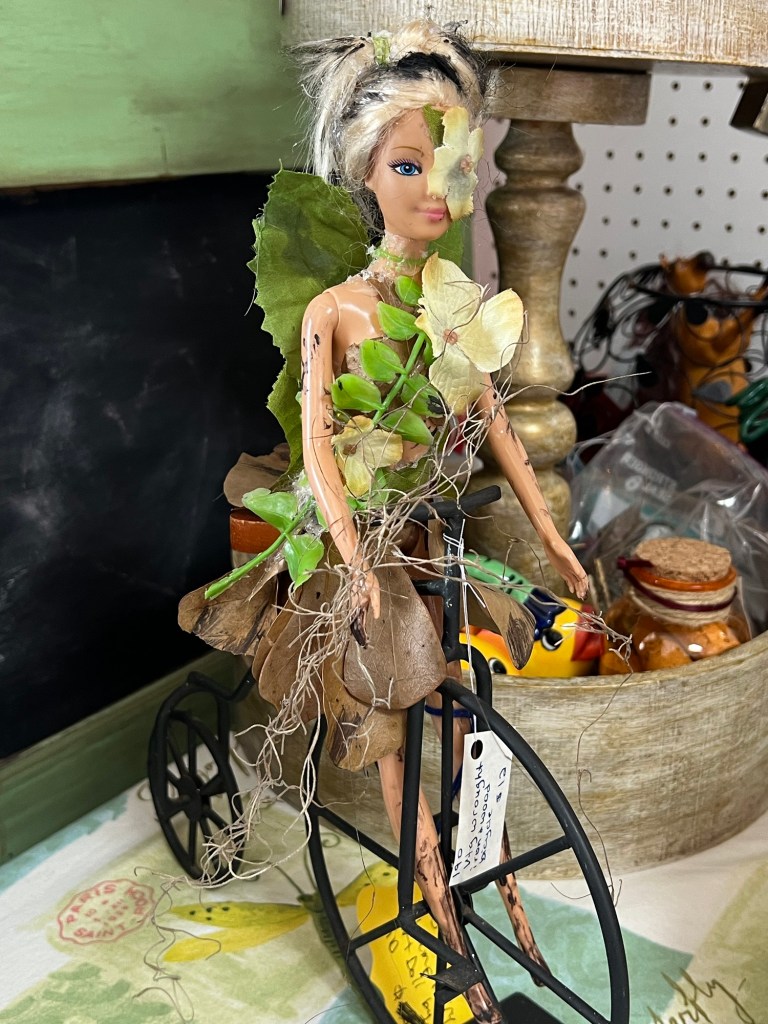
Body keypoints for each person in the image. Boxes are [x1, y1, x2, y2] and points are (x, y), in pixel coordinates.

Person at [181, 21, 588, 1023]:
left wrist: (551, 533)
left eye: (454, 165)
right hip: (357, 540)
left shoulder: (455, 302)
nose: (433, 190)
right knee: (396, 701)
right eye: (408, 164)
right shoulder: (336, 309)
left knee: (477, 685)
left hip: (428, 524)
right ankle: (440, 909)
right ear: (366, 169)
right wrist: (350, 552)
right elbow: (321, 444)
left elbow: (494, 420)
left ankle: (497, 892)